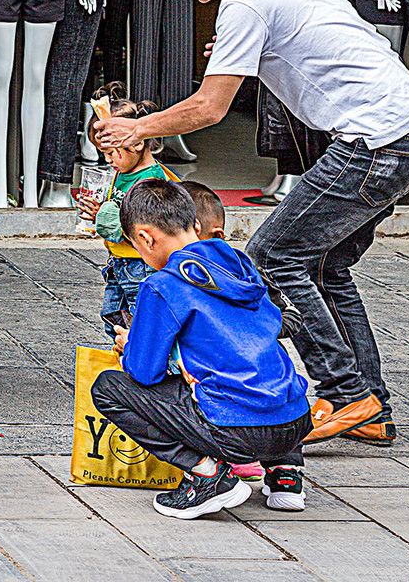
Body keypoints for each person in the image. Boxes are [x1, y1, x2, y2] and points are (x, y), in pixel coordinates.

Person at [96, 0, 409, 446]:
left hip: (374, 143)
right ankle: (367, 404)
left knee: (271, 259)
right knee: (323, 265)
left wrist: (138, 129)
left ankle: (348, 396)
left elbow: (209, 108)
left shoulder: (244, 4)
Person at [91, 179, 313, 519]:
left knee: (108, 389)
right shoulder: (240, 263)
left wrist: (131, 342)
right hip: (296, 421)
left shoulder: (161, 285)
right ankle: (286, 474)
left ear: (146, 238)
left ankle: (207, 476)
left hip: (239, 433)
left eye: (136, 244)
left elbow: (144, 372)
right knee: (260, 363)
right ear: (195, 224)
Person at [182, 179, 302, 486]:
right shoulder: (179, 275)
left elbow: (292, 316)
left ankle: (283, 471)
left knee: (274, 367)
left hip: (254, 385)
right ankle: (256, 463)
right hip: (254, 401)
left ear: (211, 235)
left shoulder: (248, 272)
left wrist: (260, 332)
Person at [79, 82, 169, 337]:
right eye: (103, 153)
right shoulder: (124, 171)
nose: (107, 160)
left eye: (110, 152)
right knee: (115, 321)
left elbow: (141, 227)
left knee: (139, 325)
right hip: (120, 263)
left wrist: (102, 217)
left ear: (137, 143)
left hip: (140, 266)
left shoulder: (149, 181)